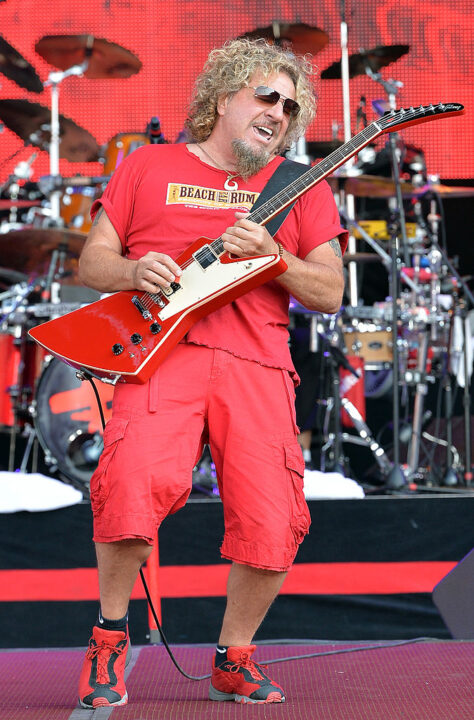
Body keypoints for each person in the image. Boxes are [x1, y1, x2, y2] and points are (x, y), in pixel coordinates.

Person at [77, 37, 347, 708]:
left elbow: (331, 292)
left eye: (290, 105)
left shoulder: (299, 185)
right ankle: (110, 639)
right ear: (222, 99)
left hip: (257, 361)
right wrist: (134, 270)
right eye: (266, 96)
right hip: (162, 356)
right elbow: (92, 264)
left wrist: (276, 258)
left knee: (271, 517)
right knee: (131, 492)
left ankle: (235, 657)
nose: (279, 112)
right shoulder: (148, 165)